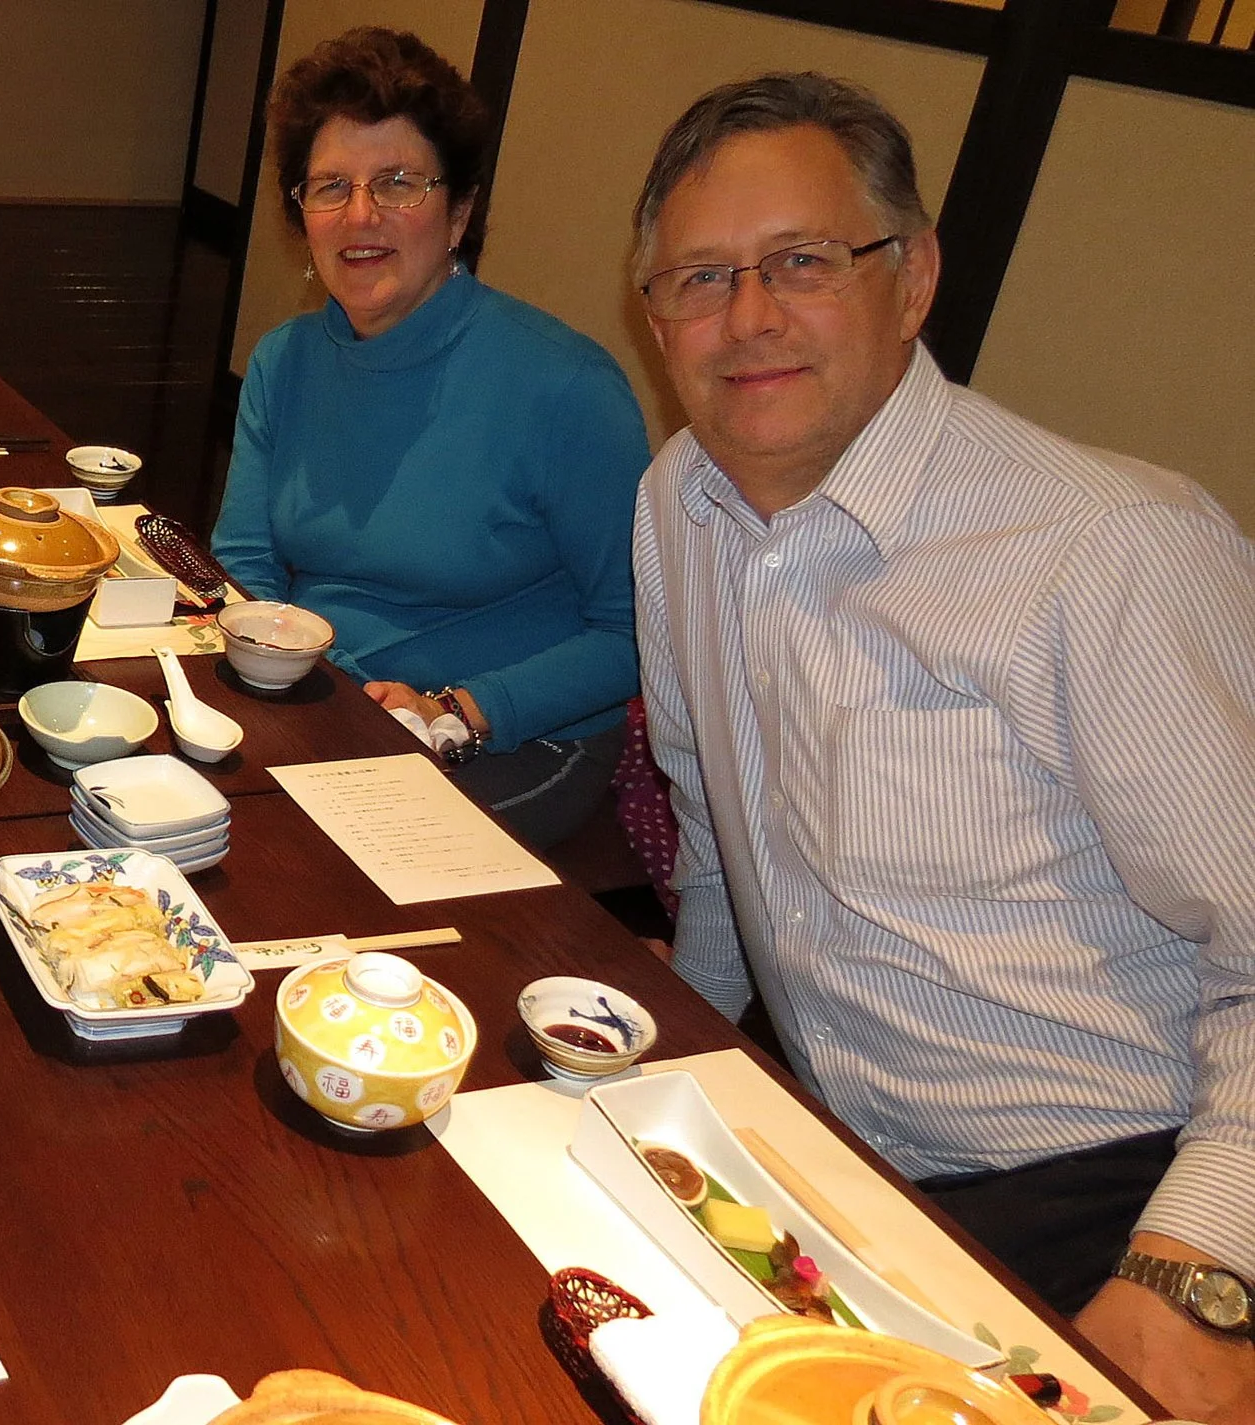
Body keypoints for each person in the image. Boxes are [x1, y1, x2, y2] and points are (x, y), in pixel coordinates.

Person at [630, 72, 1255, 1421]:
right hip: (840, 1151)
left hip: (1121, 1184)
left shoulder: (1104, 551)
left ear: (910, 278)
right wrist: (674, 1050)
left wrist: (1198, 1270)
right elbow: (707, 822)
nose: (749, 319)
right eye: (701, 279)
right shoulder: (679, 498)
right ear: (657, 318)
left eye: (801, 261)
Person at [210, 26, 650, 848]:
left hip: (511, 735)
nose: (362, 214)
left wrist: (457, 711)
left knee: (296, 858)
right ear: (299, 214)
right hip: (326, 700)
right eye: (331, 186)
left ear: (460, 214)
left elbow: (635, 634)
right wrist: (281, 666)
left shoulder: (566, 387)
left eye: (399, 183)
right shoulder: (287, 361)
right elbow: (247, 563)